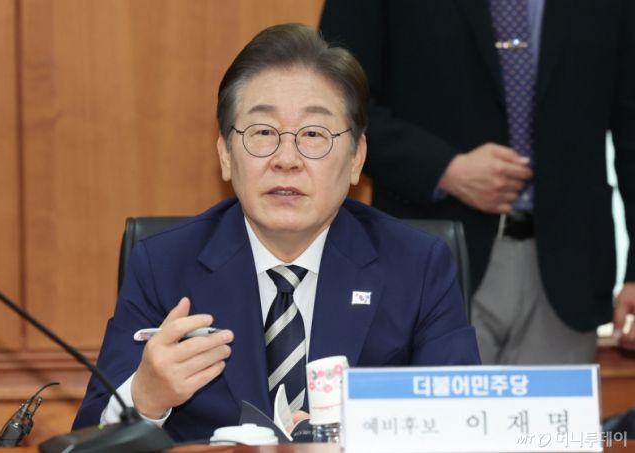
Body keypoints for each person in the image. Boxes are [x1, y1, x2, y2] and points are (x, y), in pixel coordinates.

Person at [72, 23, 480, 441]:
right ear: (225, 154)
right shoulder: (162, 266)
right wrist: (145, 398)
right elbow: (85, 440)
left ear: (356, 158)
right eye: (264, 133)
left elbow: (463, 431)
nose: (287, 159)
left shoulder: (417, 267)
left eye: (314, 134)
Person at [320, 0, 635, 364]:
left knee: (555, 405)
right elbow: (335, 102)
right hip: (427, 257)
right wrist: (443, 169)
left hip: (570, 270)